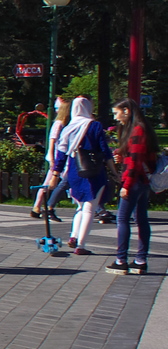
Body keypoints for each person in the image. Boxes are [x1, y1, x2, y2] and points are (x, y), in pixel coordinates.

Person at [110, 98, 158, 274]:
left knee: (122, 219)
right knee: (141, 220)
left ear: (126, 111)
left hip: (135, 181)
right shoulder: (141, 128)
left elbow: (135, 162)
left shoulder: (137, 129)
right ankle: (140, 260)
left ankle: (121, 260)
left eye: (117, 113)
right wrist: (122, 156)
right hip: (143, 182)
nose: (116, 118)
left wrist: (126, 185)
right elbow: (140, 157)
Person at [58, 96, 111, 255]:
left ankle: (74, 236)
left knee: (80, 207)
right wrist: (114, 170)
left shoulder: (69, 127)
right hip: (94, 170)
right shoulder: (94, 126)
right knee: (90, 208)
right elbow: (104, 150)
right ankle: (81, 245)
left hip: (75, 170)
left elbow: (61, 153)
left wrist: (56, 172)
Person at [31, 97, 69, 221]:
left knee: (48, 183)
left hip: (60, 157)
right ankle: (42, 207)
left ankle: (37, 207)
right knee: (56, 183)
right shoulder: (59, 124)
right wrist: (52, 158)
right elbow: (52, 141)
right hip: (58, 158)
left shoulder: (64, 123)